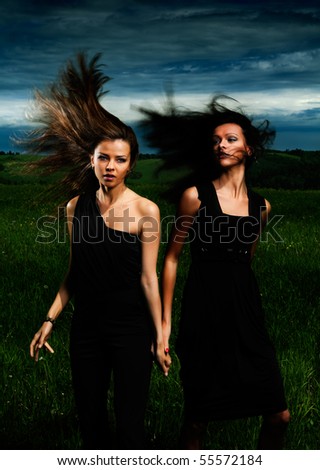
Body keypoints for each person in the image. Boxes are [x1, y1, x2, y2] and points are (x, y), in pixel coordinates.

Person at [28, 53, 171, 450]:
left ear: (131, 164)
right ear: (91, 160)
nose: (110, 166)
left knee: (130, 430)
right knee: (91, 426)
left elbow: (148, 278)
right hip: (86, 331)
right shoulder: (77, 207)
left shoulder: (147, 211)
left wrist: (159, 336)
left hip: (130, 329)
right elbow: (75, 273)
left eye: (119, 160)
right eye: (103, 157)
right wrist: (49, 320)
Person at [140, 96, 290, 449]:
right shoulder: (195, 197)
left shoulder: (262, 207)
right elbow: (172, 258)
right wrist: (165, 326)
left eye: (231, 138)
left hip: (248, 317)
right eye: (216, 140)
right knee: (197, 421)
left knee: (279, 415)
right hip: (203, 313)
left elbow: (246, 259)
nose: (221, 144)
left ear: (249, 149)